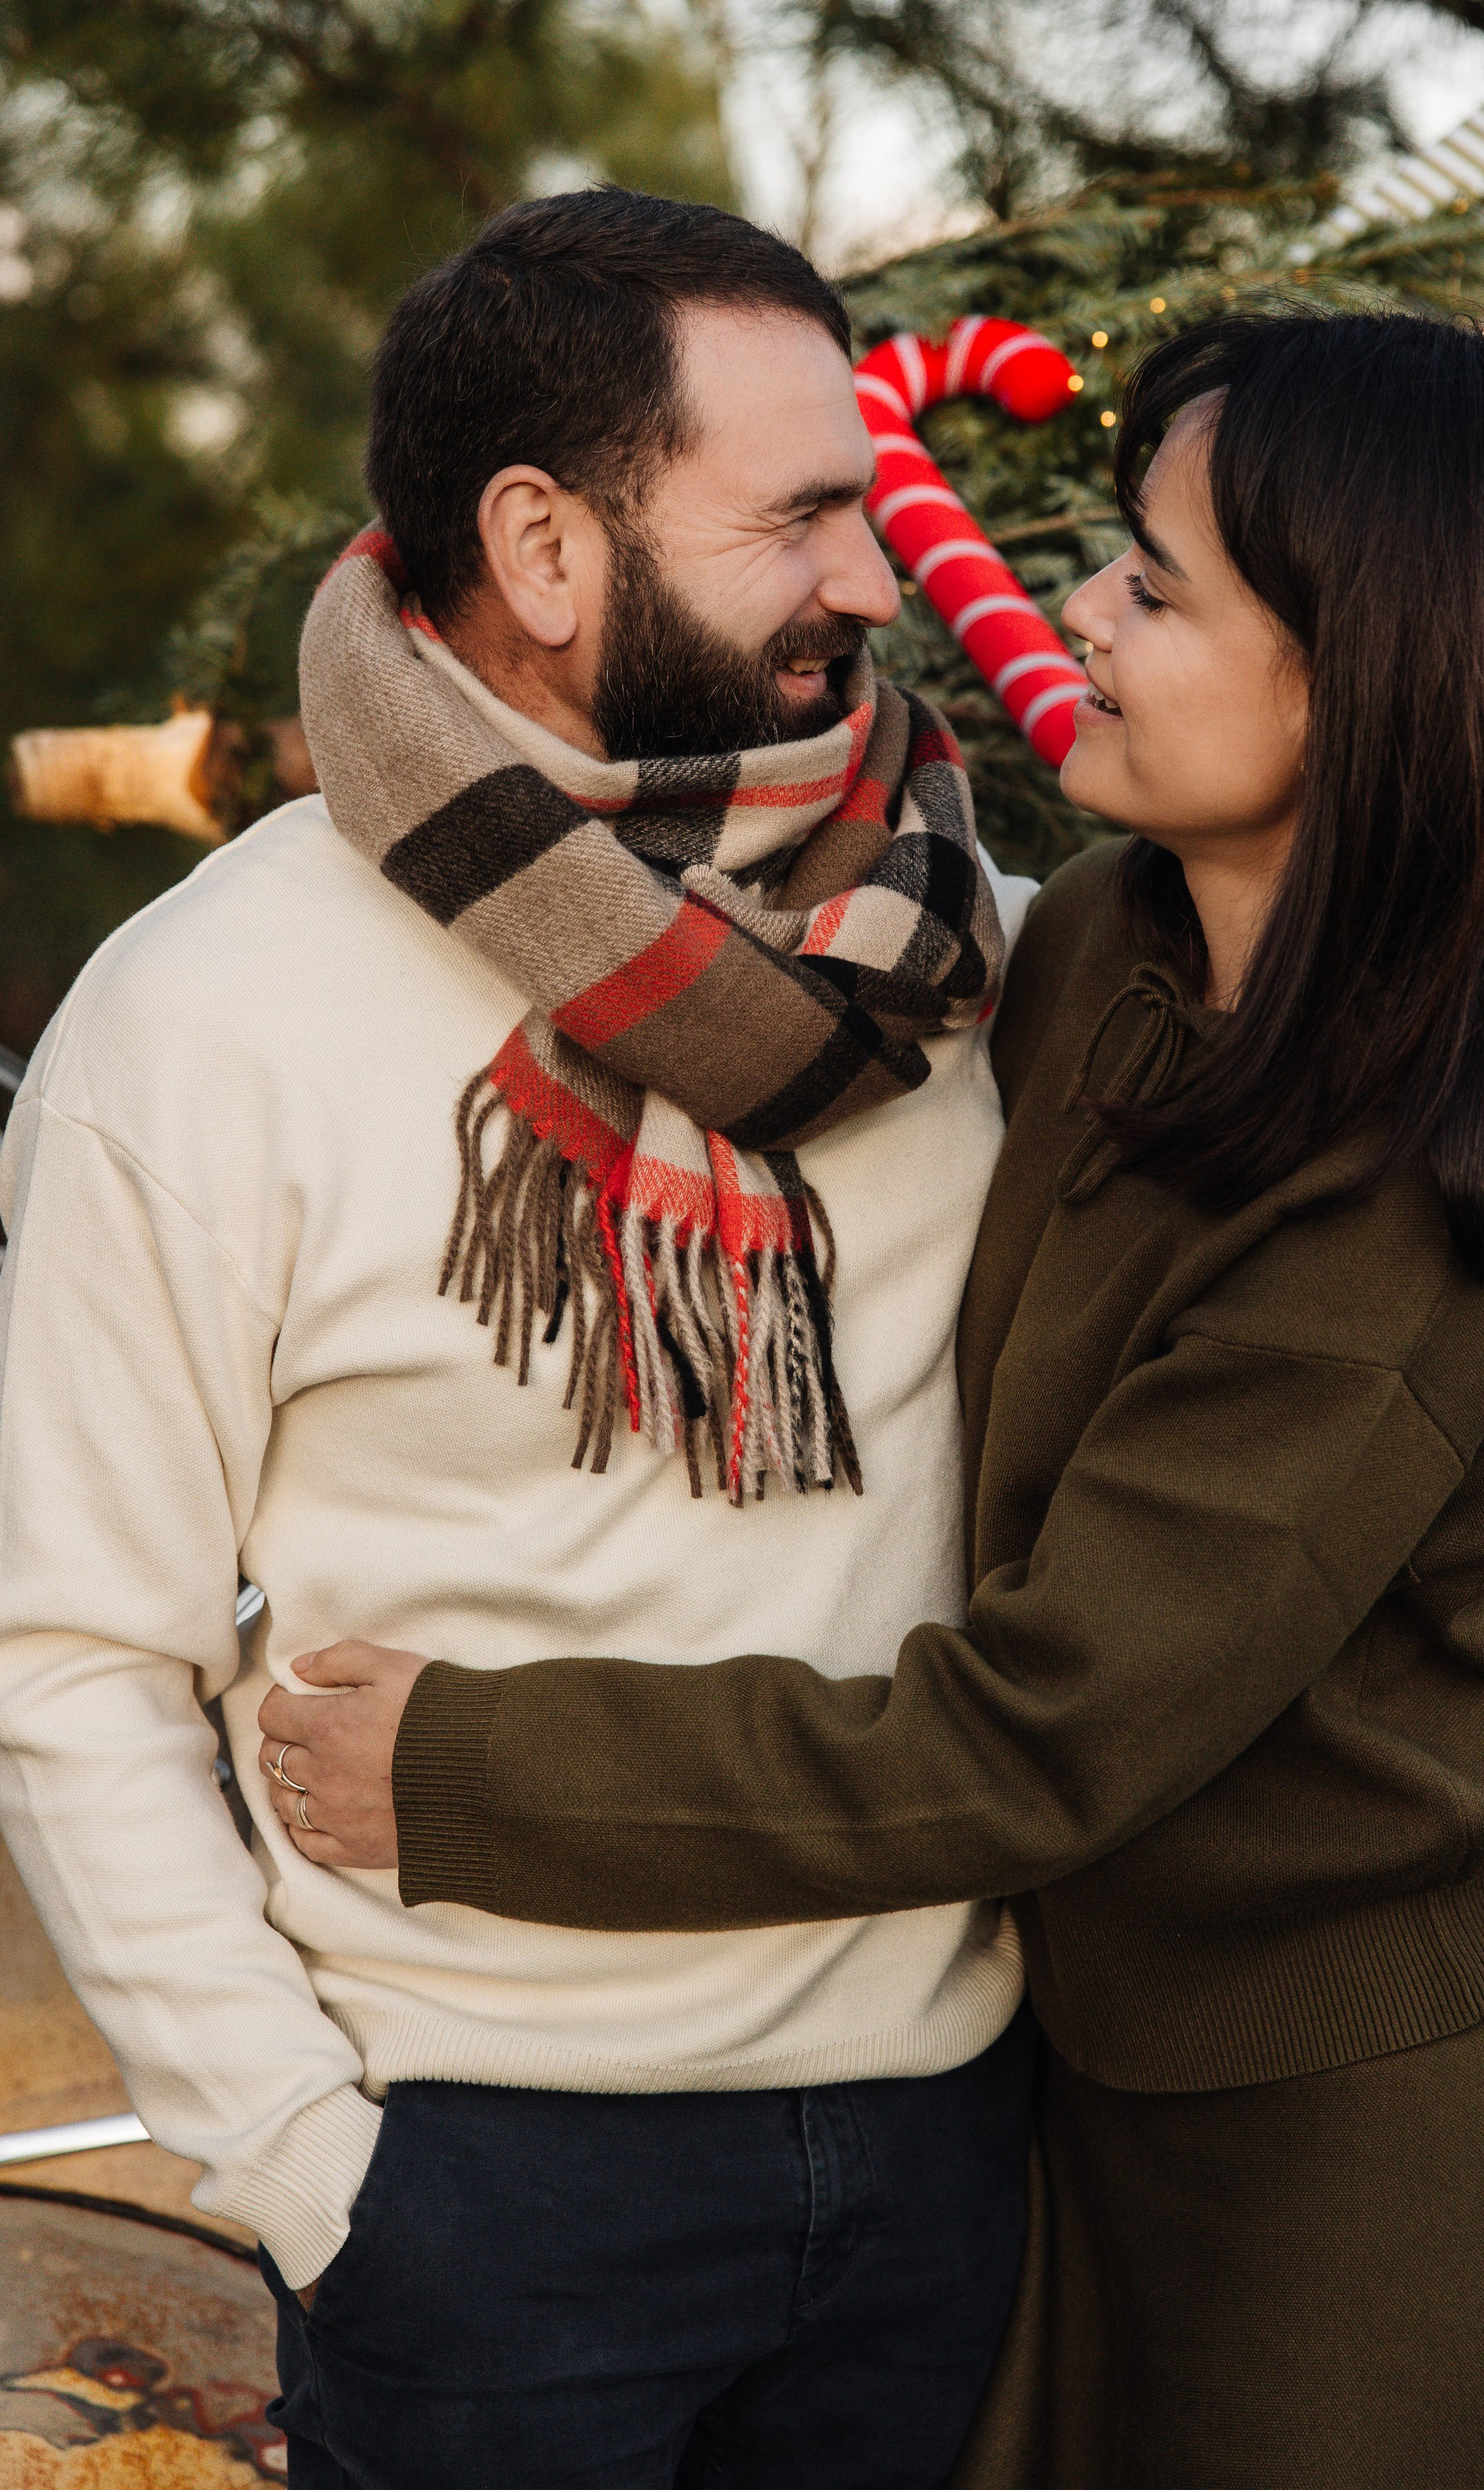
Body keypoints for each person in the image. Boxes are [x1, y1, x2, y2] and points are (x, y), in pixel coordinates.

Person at [265, 310, 1484, 2490]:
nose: (1077, 612)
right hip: (1096, 2087)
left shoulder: (1425, 1205)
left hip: (1380, 2155)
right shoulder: (1098, 958)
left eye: (1154, 586)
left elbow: (1052, 1728)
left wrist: (477, 1767)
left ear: (1368, 681)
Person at [0, 188, 1041, 2490]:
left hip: (958, 2162)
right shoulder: (203, 1021)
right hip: (478, 2203)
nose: (875, 585)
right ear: (547, 549)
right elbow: (71, 1657)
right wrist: (315, 2179)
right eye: (800, 520)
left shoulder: (970, 955)